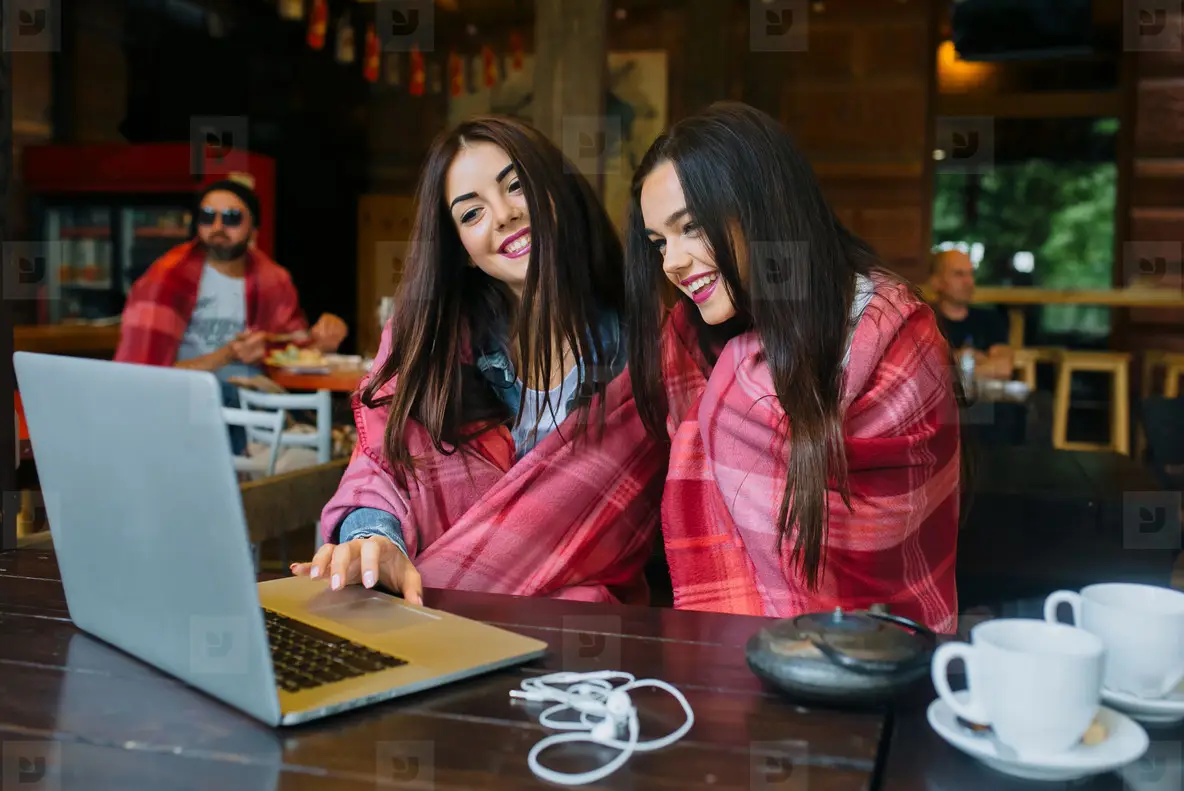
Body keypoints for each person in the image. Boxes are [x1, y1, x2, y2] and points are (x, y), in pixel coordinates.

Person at [290, 116, 666, 605]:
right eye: (471, 215)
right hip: (432, 620)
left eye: (515, 187)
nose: (504, 216)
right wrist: (373, 540)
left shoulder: (646, 346)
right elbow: (380, 467)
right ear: (462, 251)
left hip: (586, 641)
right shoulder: (430, 344)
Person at [623, 102, 961, 633]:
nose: (672, 262)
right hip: (723, 654)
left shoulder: (896, 337)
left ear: (765, 208)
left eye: (691, 228)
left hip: (884, 658)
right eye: (658, 243)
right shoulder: (686, 346)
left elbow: (890, 534)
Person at [115, 178, 349, 378]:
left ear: (254, 230)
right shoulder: (165, 279)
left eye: (231, 217)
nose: (217, 226)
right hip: (184, 398)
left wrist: (324, 339)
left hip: (255, 400)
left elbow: (294, 351)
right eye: (207, 217)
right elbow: (144, 373)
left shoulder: (274, 281)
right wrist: (226, 355)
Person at [928, 248, 1013, 380]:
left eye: (970, 274)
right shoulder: (923, 320)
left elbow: (1003, 368)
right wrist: (975, 360)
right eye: (959, 274)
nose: (968, 282)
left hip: (985, 399)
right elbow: (921, 370)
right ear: (936, 282)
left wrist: (953, 363)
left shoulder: (990, 319)